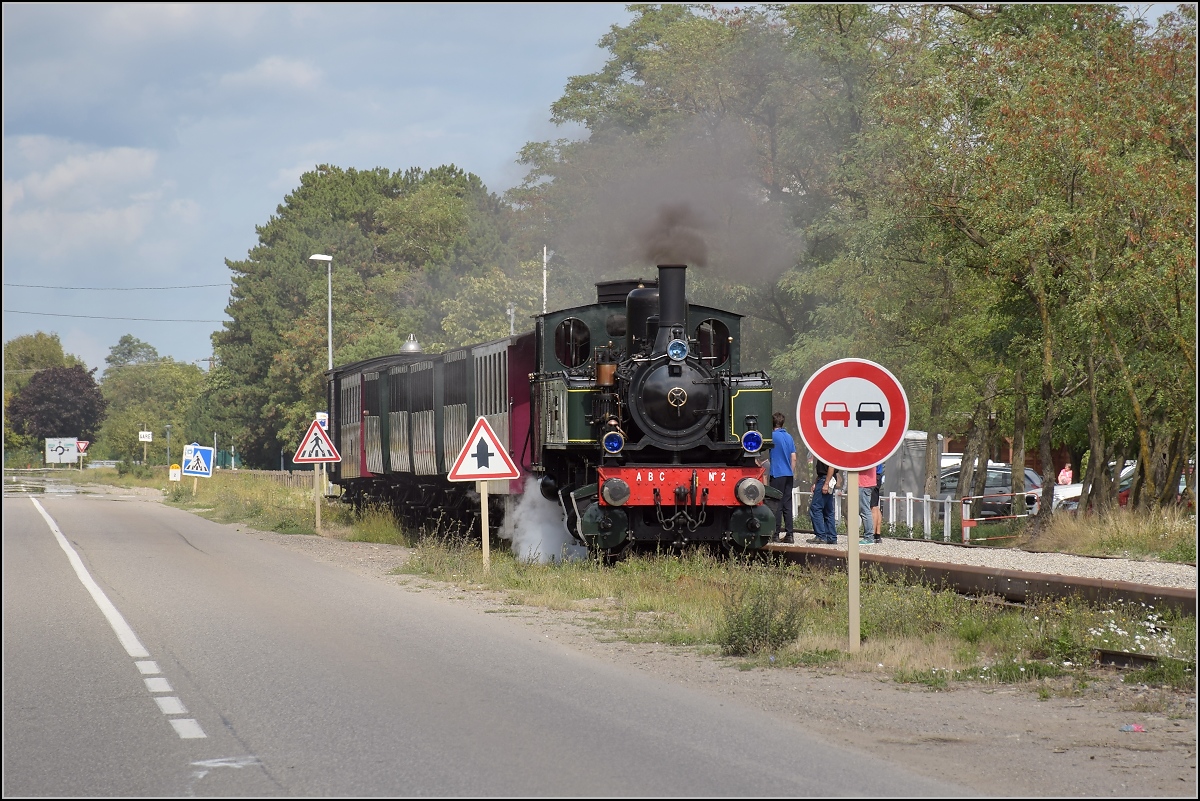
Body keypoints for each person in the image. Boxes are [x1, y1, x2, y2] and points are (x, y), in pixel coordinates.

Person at [767, 412, 797, 542]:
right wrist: (790, 471)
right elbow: (794, 458)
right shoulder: (789, 437)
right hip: (788, 474)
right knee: (787, 505)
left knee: (776, 505)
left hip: (777, 473)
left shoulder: (772, 436)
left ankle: (775, 534)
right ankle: (790, 534)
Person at [807, 456, 838, 545]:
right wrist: (816, 482)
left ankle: (821, 536)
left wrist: (826, 483)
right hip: (825, 478)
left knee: (815, 508)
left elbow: (831, 466)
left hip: (826, 479)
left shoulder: (827, 452)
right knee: (828, 510)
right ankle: (831, 536)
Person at [857, 465, 877, 545]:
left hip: (864, 483)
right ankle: (869, 536)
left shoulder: (866, 456)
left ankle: (869, 537)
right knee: (865, 510)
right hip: (867, 482)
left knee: (865, 510)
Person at [872, 462, 884, 544]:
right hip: (877, 476)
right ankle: (877, 534)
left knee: (872, 507)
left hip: (873, 477)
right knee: (876, 506)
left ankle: (872, 534)